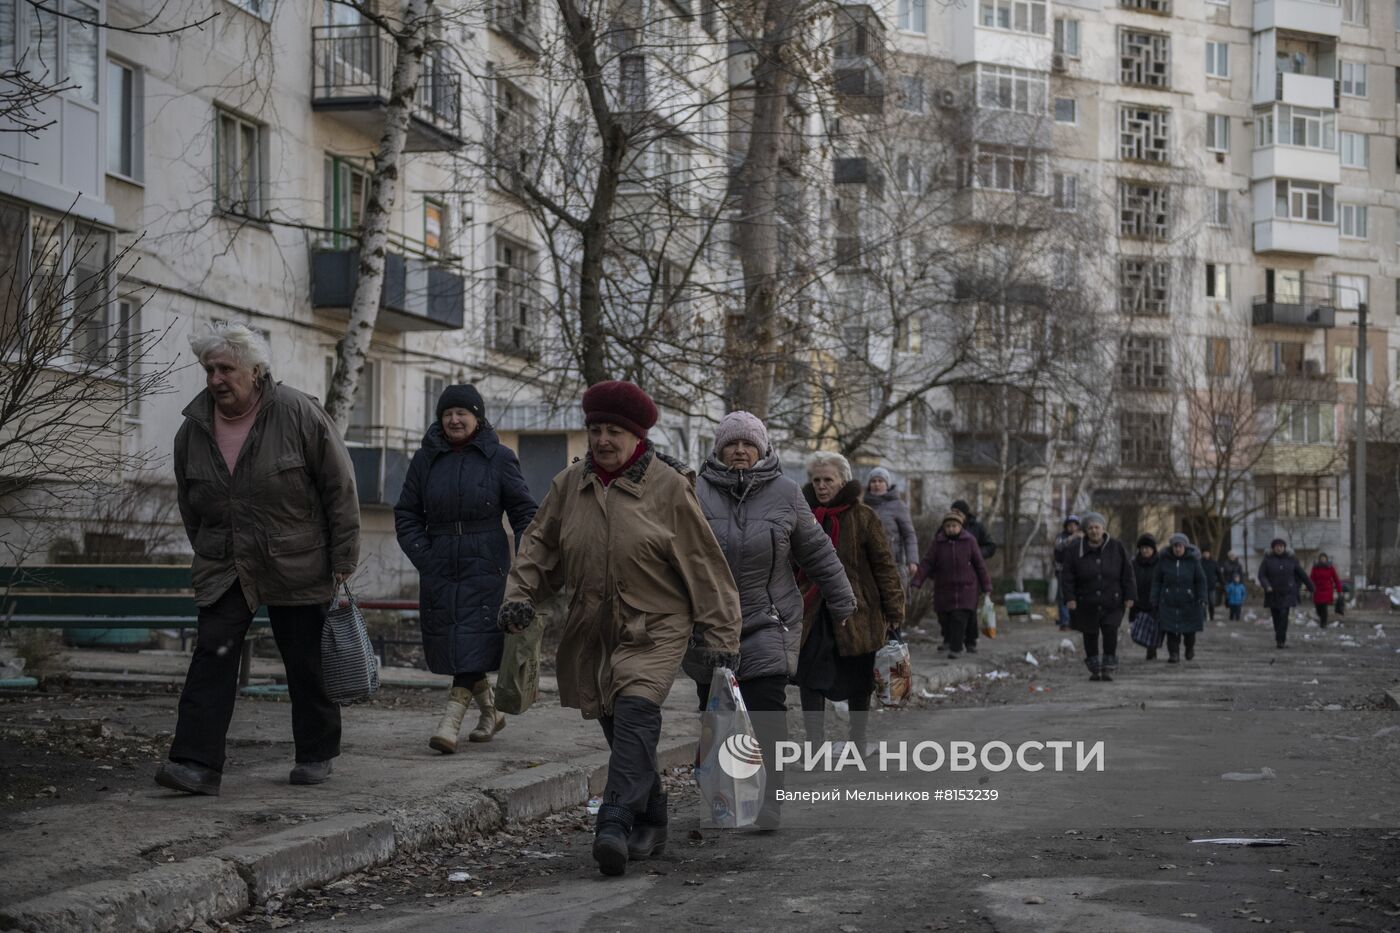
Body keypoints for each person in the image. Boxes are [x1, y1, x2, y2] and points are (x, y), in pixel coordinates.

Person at [498, 381, 741, 877]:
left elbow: (703, 564)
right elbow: (541, 544)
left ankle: (614, 818)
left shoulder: (669, 488)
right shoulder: (570, 484)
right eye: (595, 430)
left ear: (636, 436)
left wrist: (720, 635)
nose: (603, 439)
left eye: (614, 431)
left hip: (657, 623)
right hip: (593, 622)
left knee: (635, 709)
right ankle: (651, 814)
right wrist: (520, 596)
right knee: (614, 720)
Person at [156, 323, 360, 796]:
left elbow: (339, 485)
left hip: (296, 558)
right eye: (209, 369)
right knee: (213, 654)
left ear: (254, 370)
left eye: (226, 369)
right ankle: (195, 765)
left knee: (304, 661)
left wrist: (343, 555)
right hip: (226, 563)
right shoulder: (193, 430)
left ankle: (316, 752)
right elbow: (191, 505)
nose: (215, 379)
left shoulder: (297, 412)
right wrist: (210, 550)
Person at [694, 412, 855, 830]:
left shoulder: (785, 493)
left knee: (767, 710)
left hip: (768, 619)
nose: (741, 451)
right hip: (710, 626)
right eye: (732, 444)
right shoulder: (695, 491)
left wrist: (843, 603)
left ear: (763, 449)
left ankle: (770, 802)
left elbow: (817, 552)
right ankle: (728, 798)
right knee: (717, 718)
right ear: (720, 449)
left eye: (749, 444)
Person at [395, 385, 537, 754]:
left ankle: (450, 721)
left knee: (473, 638)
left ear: (478, 417)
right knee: (457, 640)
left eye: (463, 413)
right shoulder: (425, 460)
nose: (454, 420)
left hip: (485, 563)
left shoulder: (499, 458)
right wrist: (425, 557)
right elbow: (407, 514)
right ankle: (492, 712)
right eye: (447, 414)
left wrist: (525, 562)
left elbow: (525, 514)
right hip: (439, 561)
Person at [798, 451, 904, 758]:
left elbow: (884, 565)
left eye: (827, 479)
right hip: (816, 612)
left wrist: (894, 609)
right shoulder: (803, 515)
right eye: (816, 480)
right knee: (810, 678)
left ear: (842, 480)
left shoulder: (864, 516)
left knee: (859, 681)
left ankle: (858, 741)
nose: (821, 486)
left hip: (860, 614)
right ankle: (814, 747)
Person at [1059, 511, 1135, 682]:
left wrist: (1130, 594)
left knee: (1110, 631)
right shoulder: (1074, 549)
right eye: (1090, 528)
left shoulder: (1116, 547)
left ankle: (1108, 667)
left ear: (1103, 528)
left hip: (1112, 599)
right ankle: (1094, 669)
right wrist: (1070, 598)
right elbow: (1067, 576)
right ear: (1085, 530)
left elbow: (1127, 573)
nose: (1094, 531)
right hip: (1086, 600)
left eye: (1097, 527)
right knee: (1090, 633)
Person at [911, 510, 992, 659]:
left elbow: (980, 565)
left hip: (966, 589)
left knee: (959, 618)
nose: (951, 529)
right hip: (944, 589)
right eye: (948, 526)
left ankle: (956, 648)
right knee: (944, 618)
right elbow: (927, 563)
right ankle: (949, 640)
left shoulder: (970, 541)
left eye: (954, 525)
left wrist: (986, 586)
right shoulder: (938, 543)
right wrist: (917, 581)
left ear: (961, 526)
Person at [1152, 533, 1207, 664]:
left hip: (1189, 602)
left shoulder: (1193, 561)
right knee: (1171, 630)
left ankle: (1189, 648)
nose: (1177, 549)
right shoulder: (1163, 561)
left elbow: (1200, 580)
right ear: (1171, 547)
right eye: (1175, 546)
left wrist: (1202, 597)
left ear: (1185, 547)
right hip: (1168, 601)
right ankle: (1174, 654)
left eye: (1180, 546)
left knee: (1189, 632)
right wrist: (1154, 598)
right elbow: (1157, 581)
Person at [864, 467, 920, 589]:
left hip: (893, 564)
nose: (877, 484)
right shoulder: (863, 506)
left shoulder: (898, 505)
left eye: (880, 481)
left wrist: (912, 560)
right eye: (873, 481)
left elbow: (909, 534)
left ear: (887, 484)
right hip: (867, 564)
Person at [1258, 537, 1311, 648]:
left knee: (1284, 615)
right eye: (1277, 547)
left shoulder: (1291, 559)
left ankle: (1281, 640)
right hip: (1273, 593)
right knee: (1276, 617)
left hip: (1287, 592)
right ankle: (1279, 636)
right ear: (1273, 548)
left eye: (1281, 546)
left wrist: (1311, 587)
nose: (1279, 548)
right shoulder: (1267, 560)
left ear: (1284, 548)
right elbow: (1262, 575)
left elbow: (1301, 574)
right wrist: (1267, 585)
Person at [1131, 534, 1162, 660]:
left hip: (1154, 600)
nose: (1145, 550)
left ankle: (1152, 649)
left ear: (1153, 549)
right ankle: (1149, 646)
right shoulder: (1134, 564)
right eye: (1143, 548)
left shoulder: (1159, 563)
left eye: (1148, 548)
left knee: (1153, 627)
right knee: (1137, 629)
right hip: (1138, 599)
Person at [1052, 515, 1082, 632]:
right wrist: (1073, 537)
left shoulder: (1081, 538)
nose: (1072, 527)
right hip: (1062, 571)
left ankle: (1075, 621)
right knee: (1063, 597)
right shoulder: (1061, 537)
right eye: (1070, 525)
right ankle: (1065, 622)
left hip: (1078, 571)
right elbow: (1059, 546)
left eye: (1075, 525)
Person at [1309, 553, 1343, 629]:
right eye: (1321, 558)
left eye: (1324, 558)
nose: (1323, 559)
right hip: (1317, 589)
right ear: (1319, 559)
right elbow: (1311, 579)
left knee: (1324, 606)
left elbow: (1336, 580)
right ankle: (1321, 619)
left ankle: (1323, 623)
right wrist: (1309, 588)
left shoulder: (1330, 568)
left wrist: (1339, 590)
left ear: (1326, 559)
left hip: (1327, 590)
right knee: (1318, 607)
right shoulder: (1315, 568)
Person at [1199, 548, 1221, 622]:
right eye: (1204, 553)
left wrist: (1221, 582)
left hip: (1211, 586)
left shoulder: (1214, 562)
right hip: (1202, 586)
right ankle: (1204, 617)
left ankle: (1211, 616)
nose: (1206, 554)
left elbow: (1219, 573)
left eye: (1207, 553)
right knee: (1204, 603)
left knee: (1211, 603)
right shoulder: (1200, 563)